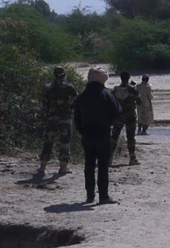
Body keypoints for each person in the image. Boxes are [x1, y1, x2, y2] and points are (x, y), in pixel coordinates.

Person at [74, 66, 121, 204]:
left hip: (87, 135)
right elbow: (117, 111)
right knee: (103, 166)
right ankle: (103, 196)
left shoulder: (82, 96)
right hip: (103, 133)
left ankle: (90, 196)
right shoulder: (106, 94)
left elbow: (77, 118)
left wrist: (83, 131)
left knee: (89, 165)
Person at [38, 66, 78, 175]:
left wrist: (45, 116)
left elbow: (44, 104)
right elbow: (76, 101)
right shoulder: (69, 87)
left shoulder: (48, 87)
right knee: (65, 142)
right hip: (65, 118)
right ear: (64, 74)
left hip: (51, 118)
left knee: (48, 142)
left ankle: (42, 168)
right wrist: (69, 107)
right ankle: (63, 167)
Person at [111, 72, 142, 165]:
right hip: (130, 116)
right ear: (128, 78)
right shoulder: (132, 90)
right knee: (131, 137)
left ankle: (109, 158)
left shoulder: (115, 90)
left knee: (114, 137)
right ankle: (132, 158)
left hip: (118, 116)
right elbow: (139, 102)